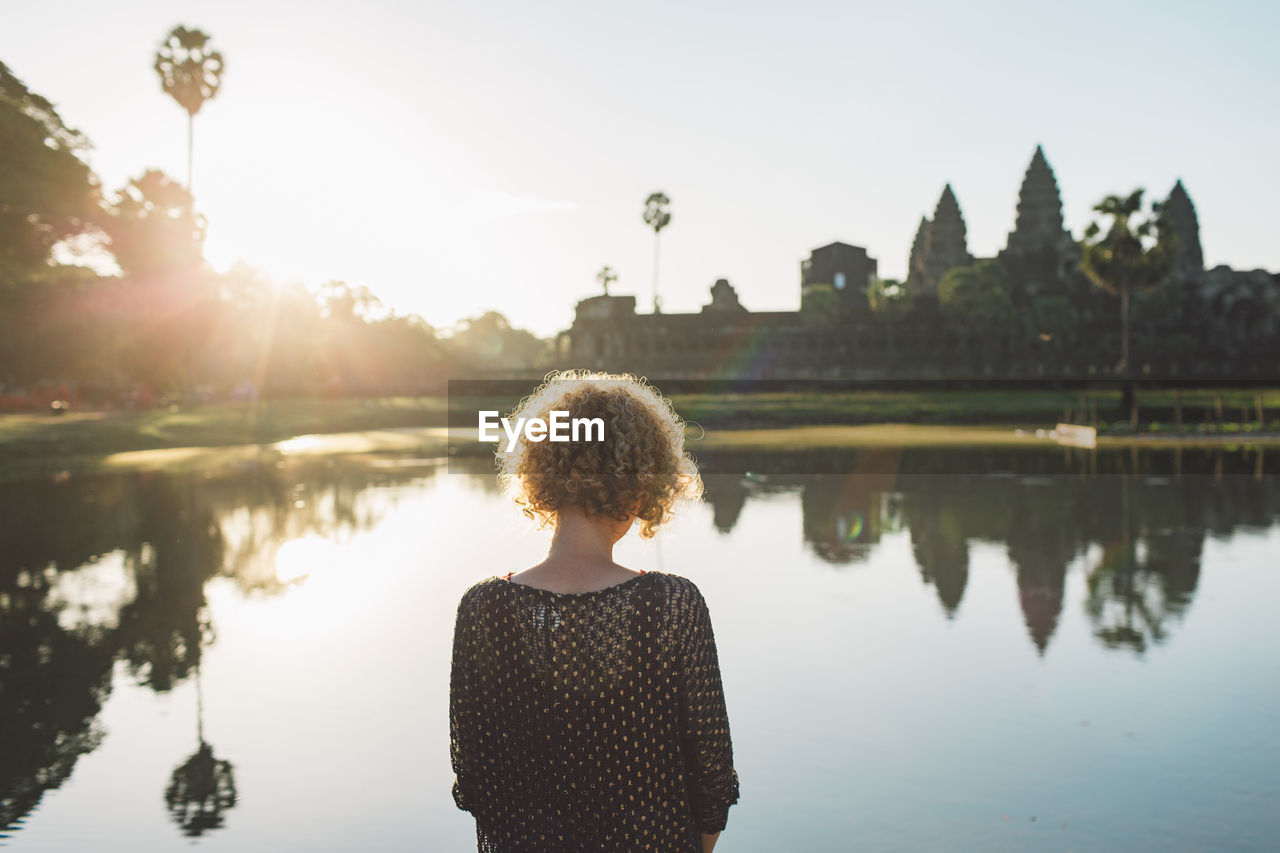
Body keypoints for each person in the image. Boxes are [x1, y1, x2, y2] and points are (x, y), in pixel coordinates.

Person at [449, 371, 740, 852]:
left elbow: (476, 780)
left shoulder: (483, 609)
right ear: (643, 486)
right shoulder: (671, 605)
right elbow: (711, 779)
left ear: (540, 474)